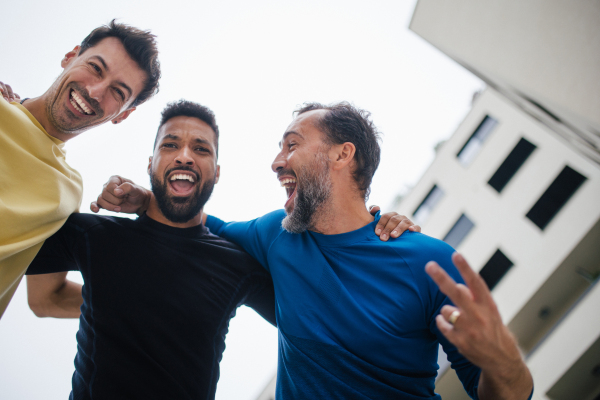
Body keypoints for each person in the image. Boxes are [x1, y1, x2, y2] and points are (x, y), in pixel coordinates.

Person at [92, 102, 533, 399]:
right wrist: (144, 200)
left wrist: (505, 360)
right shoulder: (274, 234)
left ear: (343, 155)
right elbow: (203, 226)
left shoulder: (426, 262)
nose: (277, 161)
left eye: (292, 144)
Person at [25, 101, 278, 400]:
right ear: (150, 163)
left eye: (201, 149)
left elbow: (302, 321)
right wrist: (112, 298)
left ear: (217, 172)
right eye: (171, 145)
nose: (185, 157)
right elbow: (43, 300)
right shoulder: (90, 234)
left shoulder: (238, 265)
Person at [0, 20, 161, 318]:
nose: (95, 91)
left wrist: (148, 300)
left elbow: (47, 298)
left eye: (118, 92)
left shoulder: (67, 191)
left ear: (123, 115)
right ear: (70, 56)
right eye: (96, 68)